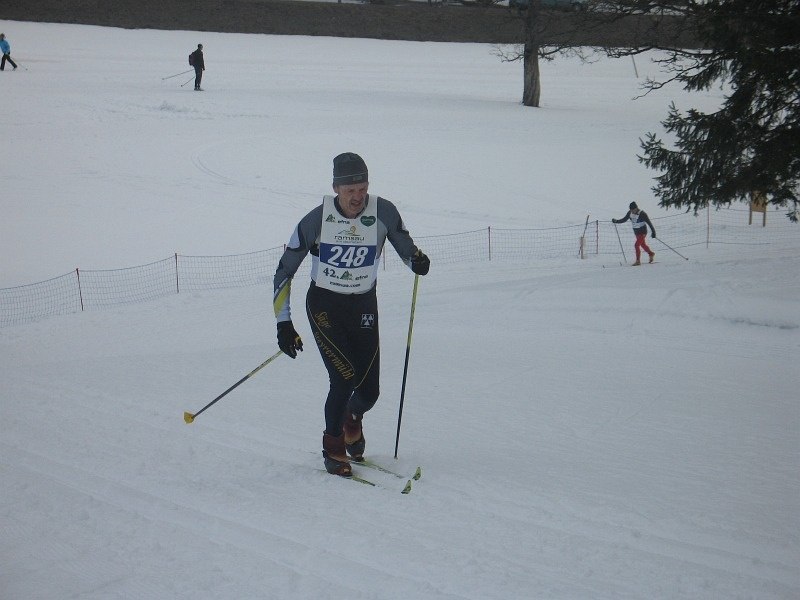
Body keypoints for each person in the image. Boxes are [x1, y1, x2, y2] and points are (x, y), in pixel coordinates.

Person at [273, 153, 430, 477]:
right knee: (343, 379)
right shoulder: (316, 220)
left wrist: (416, 260)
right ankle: (333, 448)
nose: (358, 197)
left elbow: (406, 249)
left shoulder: (384, 212)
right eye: (350, 190)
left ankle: (352, 418)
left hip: (363, 306)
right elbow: (284, 272)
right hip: (325, 306)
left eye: (362, 188)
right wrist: (284, 323)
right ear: (336, 188)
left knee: (369, 392)